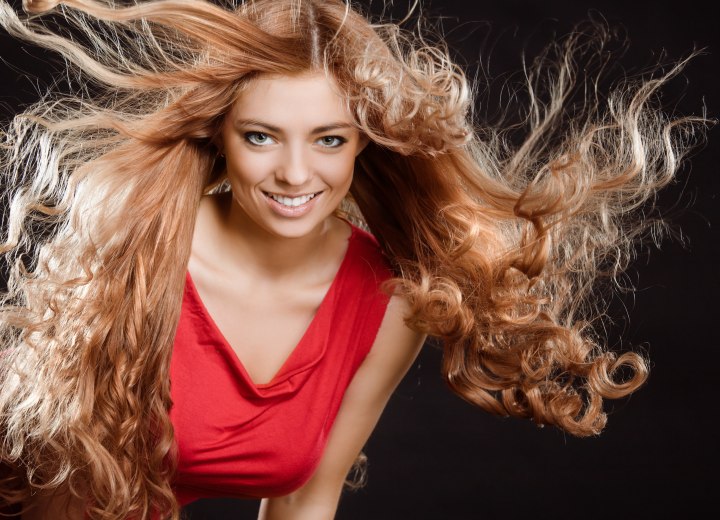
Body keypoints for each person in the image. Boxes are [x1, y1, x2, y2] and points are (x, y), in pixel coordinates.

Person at [0, 0, 706, 518]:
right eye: (262, 137)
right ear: (221, 136)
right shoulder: (141, 245)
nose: (295, 173)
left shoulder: (388, 298)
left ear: (365, 142)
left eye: (329, 140)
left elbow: (309, 499)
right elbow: (65, 483)